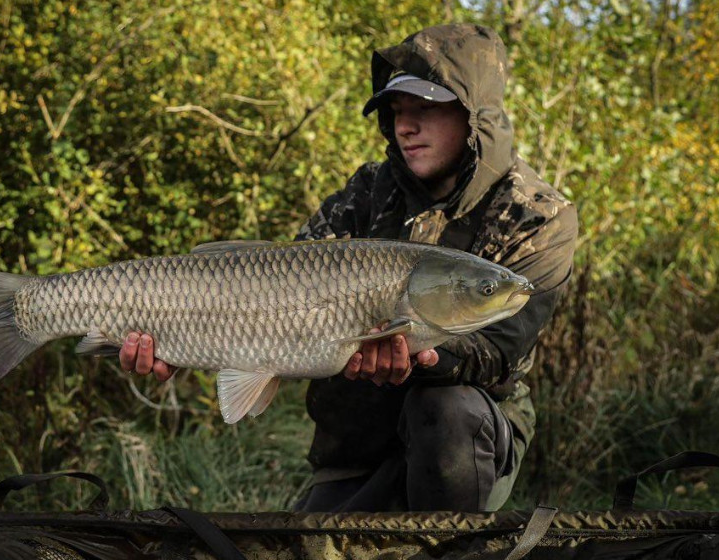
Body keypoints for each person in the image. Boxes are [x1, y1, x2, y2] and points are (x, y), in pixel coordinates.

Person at [118, 24, 578, 513]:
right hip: (354, 432)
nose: (405, 126)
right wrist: (175, 334)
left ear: (474, 118)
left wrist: (419, 354)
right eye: (398, 112)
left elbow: (500, 349)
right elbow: (271, 295)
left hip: (465, 438)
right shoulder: (367, 192)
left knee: (446, 409)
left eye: (424, 109)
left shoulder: (538, 213)